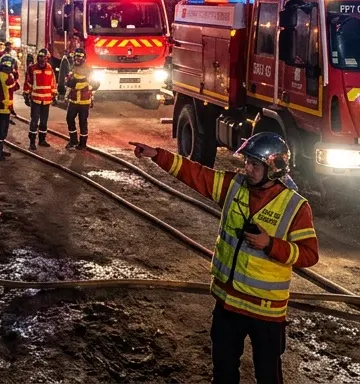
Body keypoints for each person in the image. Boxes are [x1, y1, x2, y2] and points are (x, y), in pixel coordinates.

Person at [132, 134, 318, 384]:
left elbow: (309, 254)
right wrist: (157, 155)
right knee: (223, 372)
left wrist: (271, 244)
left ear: (273, 169)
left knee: (268, 375)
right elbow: (196, 174)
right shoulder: (234, 186)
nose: (247, 169)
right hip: (228, 304)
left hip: (265, 312)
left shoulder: (296, 206)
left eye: (255, 164)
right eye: (247, 162)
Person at [61, 50, 98, 149]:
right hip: (73, 100)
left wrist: (82, 86)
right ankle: (73, 141)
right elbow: (68, 82)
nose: (77, 59)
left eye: (80, 57)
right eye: (76, 56)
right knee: (69, 119)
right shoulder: (72, 67)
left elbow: (96, 84)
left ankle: (82, 144)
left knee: (83, 122)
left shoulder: (89, 70)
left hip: (84, 101)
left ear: (84, 58)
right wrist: (68, 84)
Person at [23, 49, 56, 149]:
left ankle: (42, 140)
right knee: (34, 121)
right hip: (36, 99)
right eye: (40, 57)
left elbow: (53, 83)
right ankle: (32, 142)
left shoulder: (50, 69)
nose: (41, 59)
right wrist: (26, 95)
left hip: (46, 100)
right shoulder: (32, 68)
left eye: (44, 57)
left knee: (43, 122)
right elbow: (28, 82)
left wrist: (54, 95)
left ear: (47, 59)